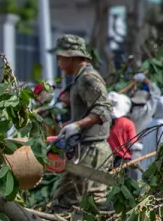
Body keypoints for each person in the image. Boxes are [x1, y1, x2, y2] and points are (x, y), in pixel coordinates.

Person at [49, 35, 113, 212]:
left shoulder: (88, 78)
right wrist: (70, 126)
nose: (58, 63)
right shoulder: (79, 79)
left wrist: (77, 126)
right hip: (83, 149)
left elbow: (104, 110)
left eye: (60, 58)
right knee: (64, 199)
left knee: (96, 203)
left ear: (70, 57)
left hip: (93, 151)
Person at [107, 92, 138, 178]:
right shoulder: (128, 124)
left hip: (109, 160)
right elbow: (132, 144)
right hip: (123, 161)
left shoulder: (107, 122)